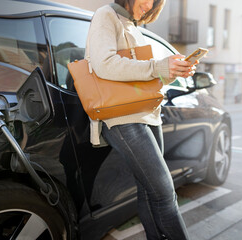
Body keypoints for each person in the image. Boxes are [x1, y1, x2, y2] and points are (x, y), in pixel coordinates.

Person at [86, 0, 196, 239]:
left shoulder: (134, 26)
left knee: (149, 192)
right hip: (122, 116)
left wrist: (174, 71)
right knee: (165, 194)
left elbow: (141, 76)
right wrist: (158, 66)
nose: (149, 4)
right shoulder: (106, 15)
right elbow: (104, 65)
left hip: (147, 114)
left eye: (155, 0)